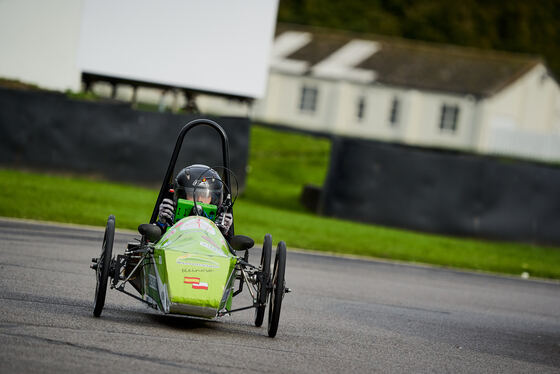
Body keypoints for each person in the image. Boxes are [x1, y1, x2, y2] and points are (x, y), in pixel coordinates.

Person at [156, 164, 233, 237]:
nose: (199, 200)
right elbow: (150, 240)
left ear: (213, 199)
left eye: (204, 195)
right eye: (193, 195)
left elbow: (230, 248)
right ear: (182, 196)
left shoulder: (219, 225)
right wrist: (162, 223)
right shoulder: (170, 221)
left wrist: (224, 233)